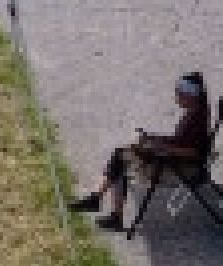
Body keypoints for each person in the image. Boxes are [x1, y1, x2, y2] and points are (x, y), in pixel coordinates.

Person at [70, 70, 212, 230]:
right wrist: (153, 138)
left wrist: (161, 147)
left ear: (190, 95)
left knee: (121, 157)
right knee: (122, 156)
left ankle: (102, 205)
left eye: (179, 93)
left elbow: (194, 152)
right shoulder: (195, 113)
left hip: (182, 168)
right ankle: (100, 202)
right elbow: (180, 142)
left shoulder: (197, 120)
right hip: (175, 161)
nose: (176, 96)